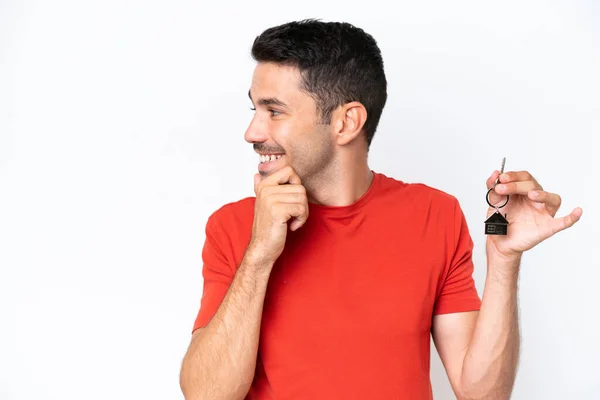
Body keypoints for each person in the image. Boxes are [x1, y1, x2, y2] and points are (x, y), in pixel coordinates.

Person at [179, 19, 583, 400]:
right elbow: (206, 393)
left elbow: (482, 393)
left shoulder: (434, 215)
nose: (252, 132)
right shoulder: (232, 227)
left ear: (346, 122)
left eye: (275, 111)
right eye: (255, 109)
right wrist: (259, 256)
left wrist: (504, 258)